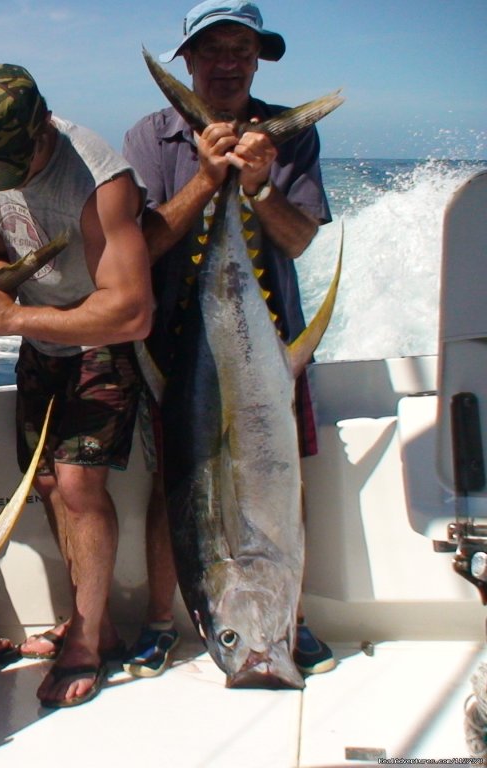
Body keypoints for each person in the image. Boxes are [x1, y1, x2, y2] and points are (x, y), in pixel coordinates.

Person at [122, 0, 336, 678]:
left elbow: (299, 240)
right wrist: (210, 179)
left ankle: (291, 618)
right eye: (212, 50)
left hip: (267, 342)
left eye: (241, 50)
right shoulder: (150, 139)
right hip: (181, 350)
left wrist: (259, 185)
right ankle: (163, 623)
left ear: (258, 58)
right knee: (177, 485)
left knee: (281, 476)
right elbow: (146, 244)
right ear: (186, 60)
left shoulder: (289, 139)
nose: (227, 64)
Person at [0, 63, 154, 708]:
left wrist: (11, 317)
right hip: (38, 341)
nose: (0, 174)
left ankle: (86, 642)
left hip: (99, 340)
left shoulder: (101, 181)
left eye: (16, 159)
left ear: (43, 129)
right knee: (44, 482)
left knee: (80, 483)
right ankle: (95, 623)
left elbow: (131, 310)